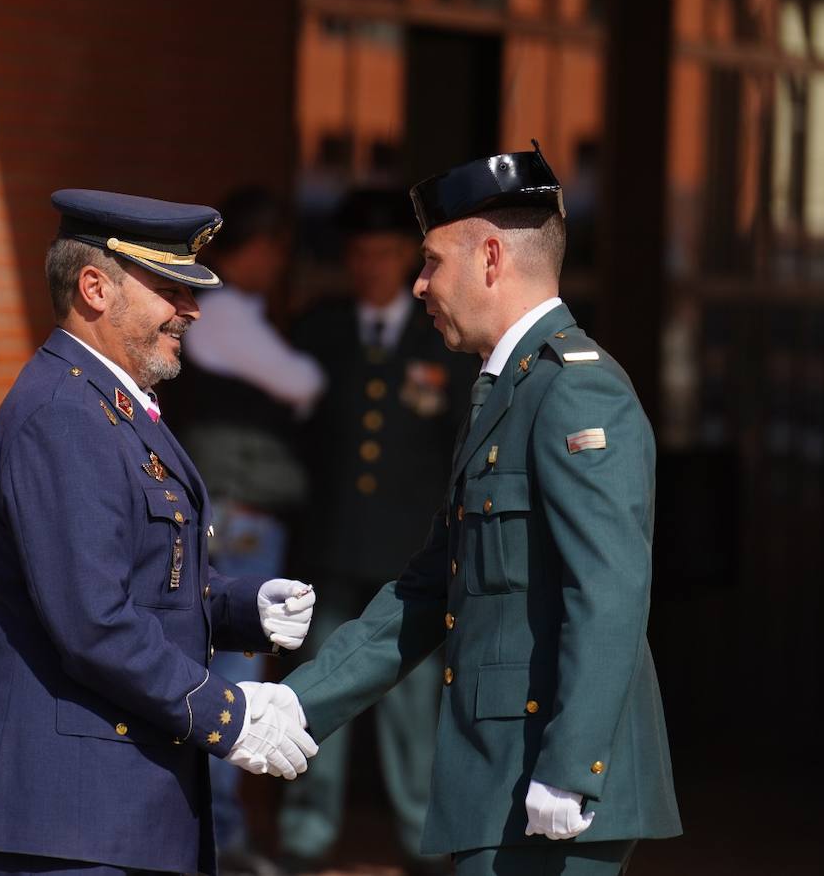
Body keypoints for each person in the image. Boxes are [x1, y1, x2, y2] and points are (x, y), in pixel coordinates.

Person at [253, 145, 683, 875]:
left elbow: (609, 590)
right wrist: (300, 703)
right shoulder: (504, 389)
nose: (418, 284)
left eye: (430, 262)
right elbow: (429, 587)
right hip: (500, 778)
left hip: (549, 788)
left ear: (490, 258)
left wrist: (572, 766)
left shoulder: (573, 390)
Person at [0, 188, 320, 876]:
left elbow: (143, 579)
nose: (191, 310)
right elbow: (94, 620)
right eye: (170, 289)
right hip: (68, 811)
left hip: (104, 805)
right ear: (94, 288)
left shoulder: (107, 405)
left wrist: (236, 606)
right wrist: (227, 714)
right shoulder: (64, 416)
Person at [277, 188, 477, 875]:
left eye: (386, 253)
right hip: (329, 545)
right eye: (358, 254)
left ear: (407, 258)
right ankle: (305, 834)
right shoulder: (317, 332)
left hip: (409, 557)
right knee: (319, 690)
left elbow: (460, 447)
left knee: (411, 709)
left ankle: (421, 839)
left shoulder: (440, 337)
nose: (371, 266)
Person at [172, 186, 325, 875]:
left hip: (233, 514)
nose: (280, 264)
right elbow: (301, 381)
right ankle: (221, 840)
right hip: (237, 518)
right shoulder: (227, 308)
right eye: (277, 250)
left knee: (227, 674)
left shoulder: (226, 309)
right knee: (231, 681)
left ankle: (219, 834)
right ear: (256, 248)